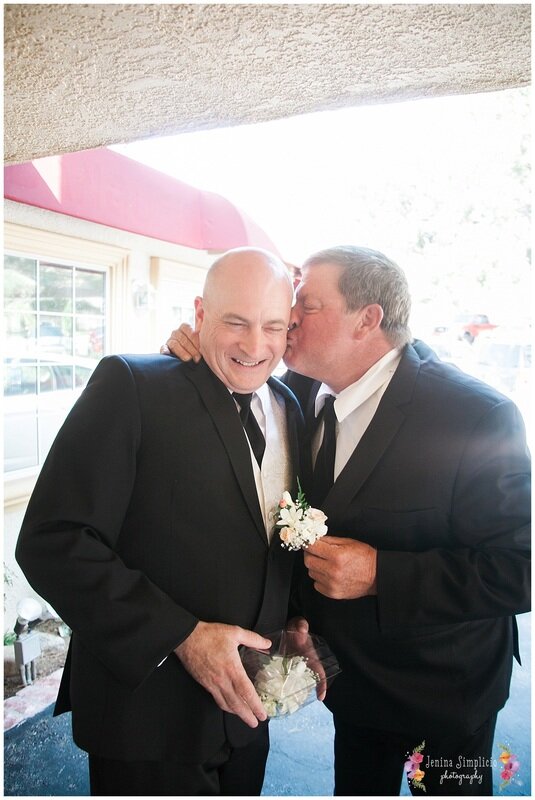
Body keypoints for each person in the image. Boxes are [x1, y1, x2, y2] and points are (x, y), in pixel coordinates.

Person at [165, 244, 531, 796]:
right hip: (347, 685)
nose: (288, 319)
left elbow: (519, 567)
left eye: (305, 305)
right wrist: (188, 348)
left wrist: (383, 573)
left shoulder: (476, 417)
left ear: (368, 319)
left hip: (443, 694)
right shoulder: (299, 392)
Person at [16, 247, 309, 796]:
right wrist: (182, 635)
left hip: (247, 712)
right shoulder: (133, 385)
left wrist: (294, 616)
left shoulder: (291, 405)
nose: (254, 346)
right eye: (235, 322)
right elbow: (51, 541)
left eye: (273, 326)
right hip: (147, 719)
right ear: (199, 315)